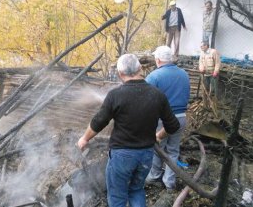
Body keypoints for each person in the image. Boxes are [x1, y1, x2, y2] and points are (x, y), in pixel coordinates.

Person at [77, 54, 180, 207]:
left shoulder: (116, 95)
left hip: (122, 156)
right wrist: (158, 135)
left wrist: (84, 139)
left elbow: (99, 121)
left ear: (120, 74)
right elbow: (173, 126)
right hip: (146, 155)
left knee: (117, 196)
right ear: (140, 69)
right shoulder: (158, 95)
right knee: (137, 190)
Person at [145, 46, 190, 191]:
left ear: (158, 59)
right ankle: (169, 182)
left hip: (162, 120)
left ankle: (154, 176)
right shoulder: (184, 74)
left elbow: (145, 100)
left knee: (157, 147)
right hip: (181, 118)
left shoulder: (154, 76)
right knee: (173, 150)